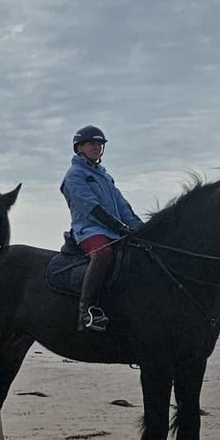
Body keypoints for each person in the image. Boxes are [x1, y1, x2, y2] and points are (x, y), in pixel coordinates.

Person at [60, 125, 143, 332]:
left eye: (99, 144)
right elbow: (90, 207)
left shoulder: (105, 176)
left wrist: (141, 229)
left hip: (115, 232)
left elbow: (122, 206)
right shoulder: (74, 175)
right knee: (103, 254)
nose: (96, 147)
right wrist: (119, 227)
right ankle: (86, 312)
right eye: (91, 143)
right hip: (90, 231)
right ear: (79, 148)